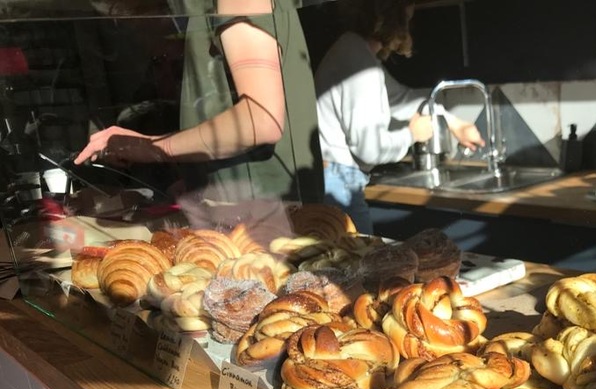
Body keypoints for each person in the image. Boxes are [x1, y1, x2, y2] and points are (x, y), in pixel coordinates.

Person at [74, 0, 322, 205]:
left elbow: (261, 119)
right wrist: (198, 178)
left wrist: (151, 147)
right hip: (244, 217)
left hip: (268, 224)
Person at [314, 0, 483, 234]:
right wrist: (412, 134)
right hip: (339, 184)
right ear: (392, 19)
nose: (408, 28)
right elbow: (370, 149)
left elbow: (401, 99)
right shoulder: (361, 65)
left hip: (333, 179)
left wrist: (452, 121)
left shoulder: (354, 52)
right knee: (360, 265)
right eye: (408, 18)